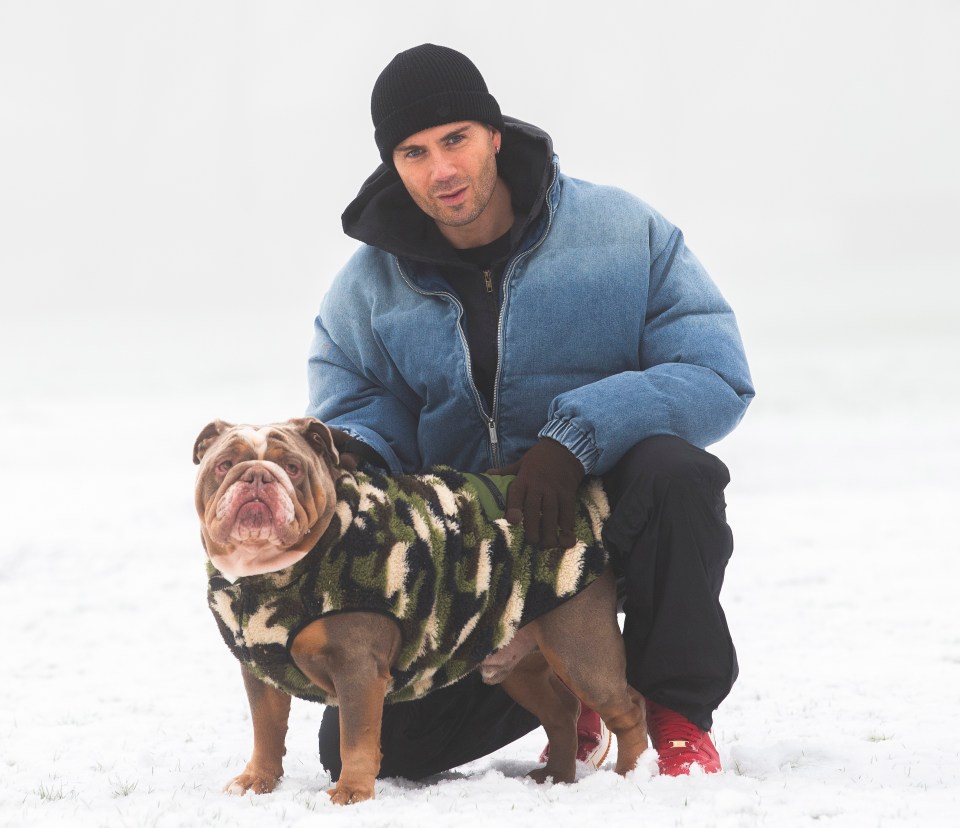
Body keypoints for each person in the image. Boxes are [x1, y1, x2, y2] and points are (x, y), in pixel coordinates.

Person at [306, 43, 754, 778]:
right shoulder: (365, 289)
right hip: (481, 557)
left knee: (681, 473)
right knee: (370, 752)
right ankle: (566, 696)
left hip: (613, 510)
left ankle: (674, 713)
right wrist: (354, 448)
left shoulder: (623, 232)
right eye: (414, 152)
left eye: (455, 139)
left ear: (494, 135)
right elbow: (355, 400)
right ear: (394, 165)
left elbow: (716, 372)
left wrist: (575, 438)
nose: (442, 170)